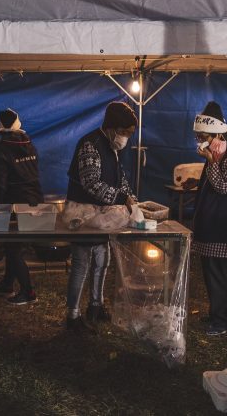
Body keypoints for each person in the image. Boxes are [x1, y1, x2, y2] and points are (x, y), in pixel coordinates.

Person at [64, 101, 138, 332]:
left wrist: (129, 195)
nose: (126, 138)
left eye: (129, 134)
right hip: (82, 213)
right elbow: (91, 183)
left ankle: (96, 305)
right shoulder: (90, 145)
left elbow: (119, 177)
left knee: (102, 260)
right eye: (124, 132)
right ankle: (72, 315)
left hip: (101, 213)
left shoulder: (111, 146)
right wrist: (121, 199)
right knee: (81, 264)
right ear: (112, 127)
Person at [191, 101, 227, 336]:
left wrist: (211, 162)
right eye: (199, 136)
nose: (200, 141)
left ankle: (222, 321)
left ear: (217, 134)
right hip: (210, 222)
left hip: (223, 225)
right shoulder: (217, 150)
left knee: (219, 274)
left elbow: (224, 186)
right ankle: (217, 314)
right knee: (211, 271)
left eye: (204, 136)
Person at [0, 109, 43, 305]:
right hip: (34, 199)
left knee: (13, 248)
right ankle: (7, 284)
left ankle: (28, 292)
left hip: (14, 203)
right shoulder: (30, 144)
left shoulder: (1, 149)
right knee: (13, 245)